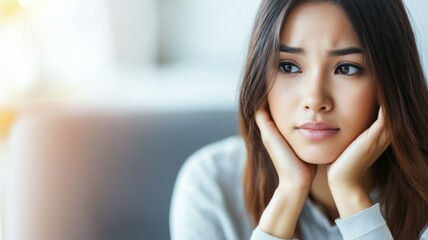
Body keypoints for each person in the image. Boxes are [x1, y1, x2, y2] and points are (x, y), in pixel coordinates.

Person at [170, 0, 428, 239]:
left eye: (346, 68)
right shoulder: (212, 186)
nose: (315, 100)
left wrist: (350, 194)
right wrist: (288, 193)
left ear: (392, 83)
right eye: (288, 66)